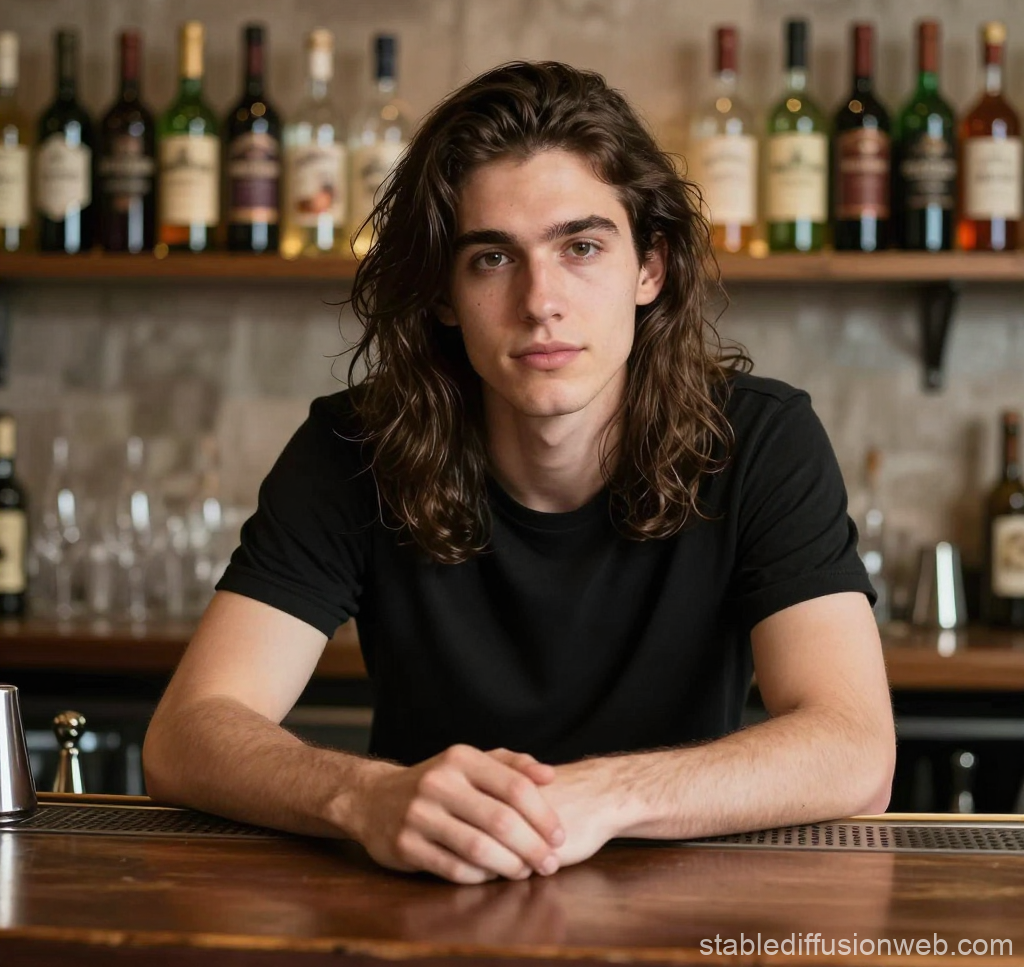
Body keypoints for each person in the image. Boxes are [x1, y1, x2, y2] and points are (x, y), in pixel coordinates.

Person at [143, 61, 895, 885]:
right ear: (442, 294)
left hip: (680, 908)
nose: (542, 300)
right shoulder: (353, 446)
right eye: (494, 258)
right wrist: (364, 796)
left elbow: (854, 748)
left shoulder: (758, 438)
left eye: (581, 247)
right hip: (421, 904)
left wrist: (599, 798)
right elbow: (188, 733)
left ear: (651, 268)